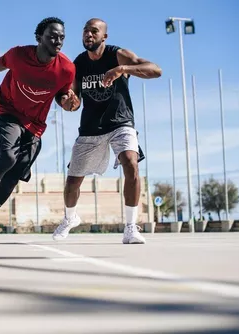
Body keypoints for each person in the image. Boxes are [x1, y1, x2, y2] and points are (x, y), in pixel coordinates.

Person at [0, 17, 77, 245]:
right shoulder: (19, 55)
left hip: (35, 125)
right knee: (8, 156)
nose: (58, 41)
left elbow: (62, 95)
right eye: (52, 36)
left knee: (12, 178)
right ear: (39, 37)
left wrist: (68, 103)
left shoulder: (66, 69)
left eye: (61, 37)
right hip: (8, 111)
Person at [52, 18, 162, 244]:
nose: (88, 35)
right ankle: (70, 218)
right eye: (85, 31)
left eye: (94, 31)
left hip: (121, 123)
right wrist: (68, 102)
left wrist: (123, 69)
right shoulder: (78, 64)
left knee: (130, 162)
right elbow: (74, 103)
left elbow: (156, 70)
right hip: (91, 128)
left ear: (104, 36)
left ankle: (131, 227)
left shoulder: (117, 55)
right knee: (73, 182)